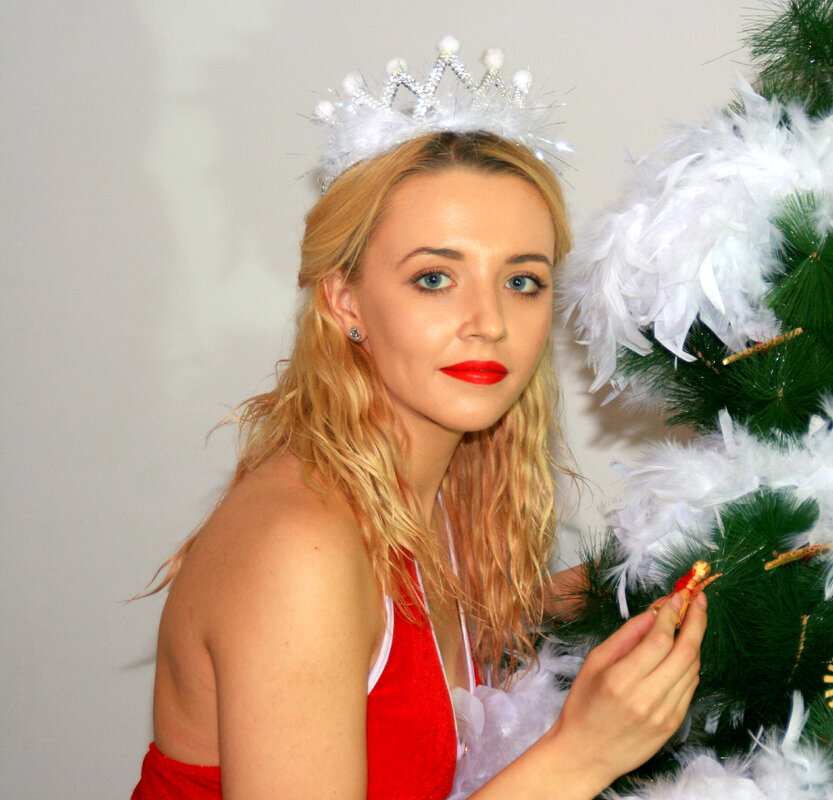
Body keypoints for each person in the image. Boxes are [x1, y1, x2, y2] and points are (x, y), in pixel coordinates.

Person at [131, 42, 706, 800]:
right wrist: (582, 755)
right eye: (435, 278)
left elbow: (416, 663)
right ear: (345, 301)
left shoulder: (447, 493)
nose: (488, 322)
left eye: (522, 281)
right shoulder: (300, 550)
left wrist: (618, 592)